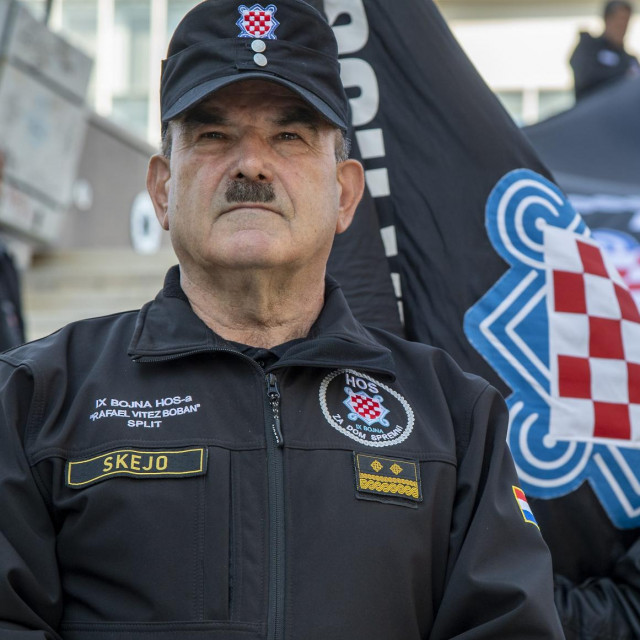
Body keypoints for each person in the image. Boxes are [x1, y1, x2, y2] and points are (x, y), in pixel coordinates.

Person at [0, 1, 565, 638]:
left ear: (345, 194)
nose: (252, 164)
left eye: (289, 137)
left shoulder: (455, 416)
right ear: (162, 189)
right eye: (213, 136)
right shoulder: (35, 399)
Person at [570, 0, 640, 101]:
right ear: (607, 20)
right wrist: (624, 74)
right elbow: (585, 77)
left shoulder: (630, 60)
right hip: (594, 108)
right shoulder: (589, 48)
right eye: (618, 21)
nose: (622, 27)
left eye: (626, 22)